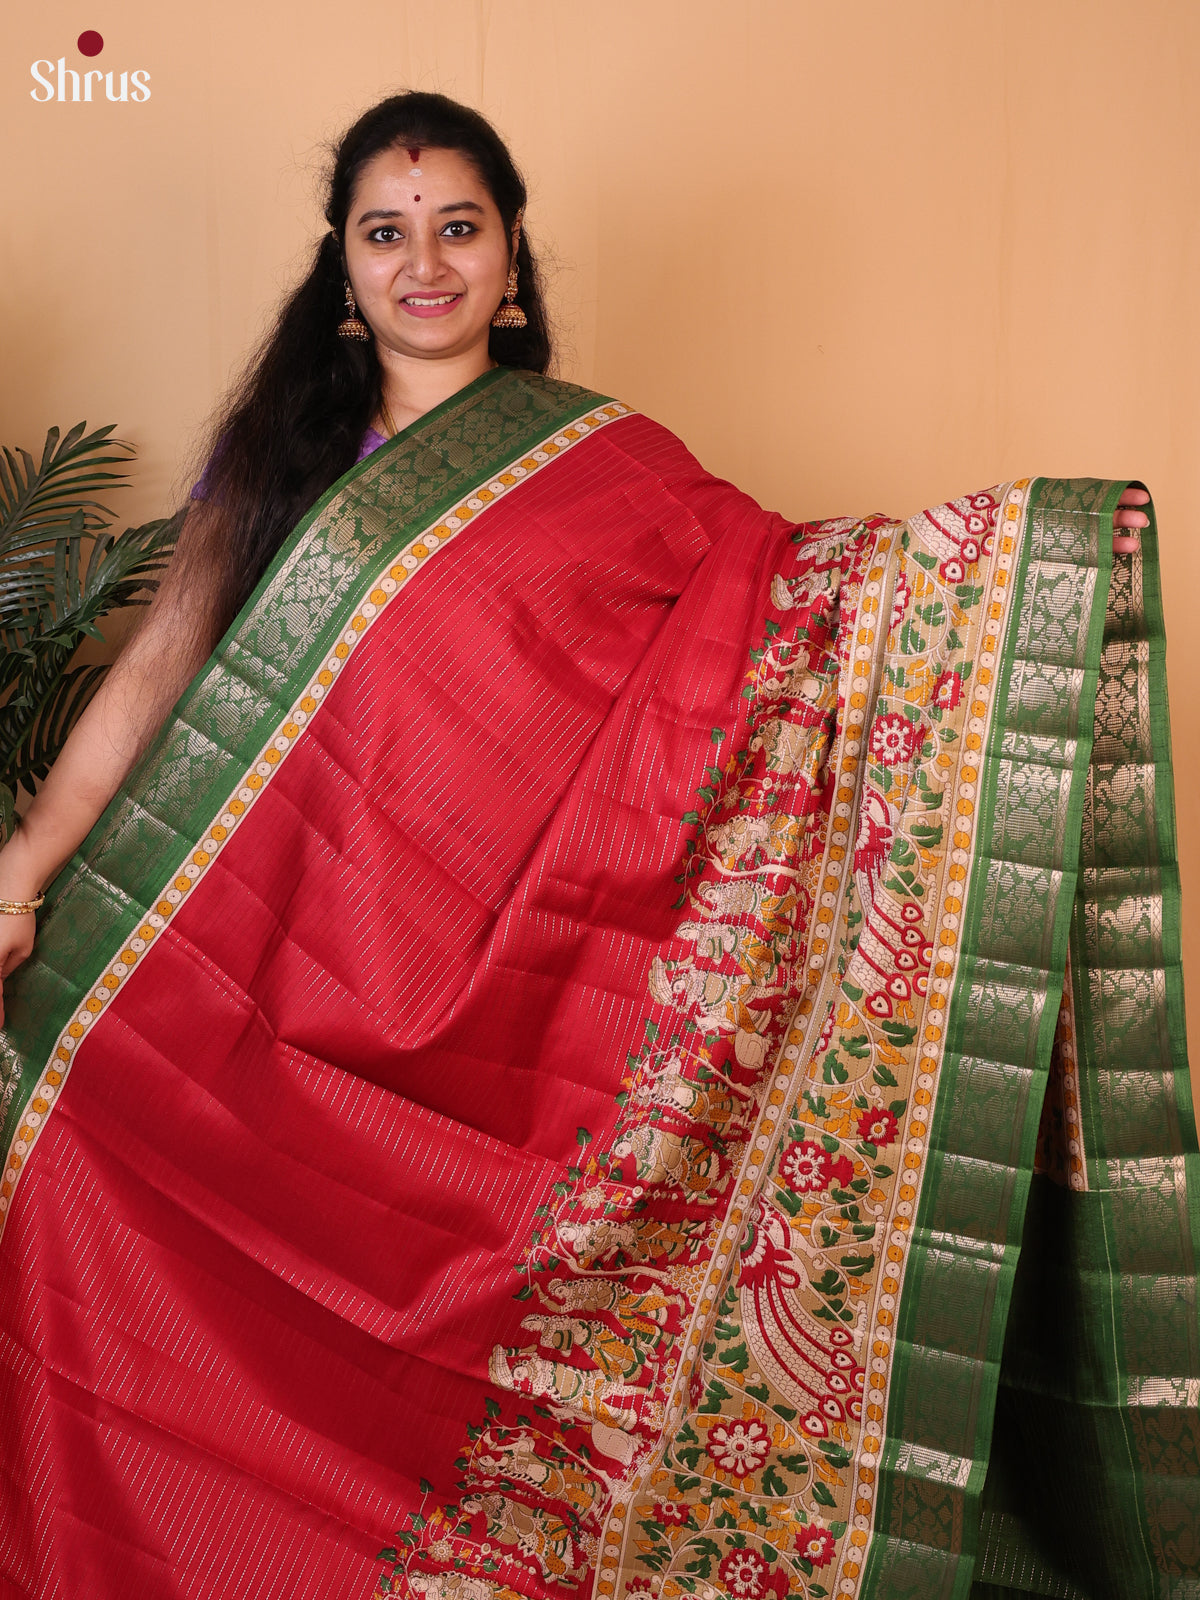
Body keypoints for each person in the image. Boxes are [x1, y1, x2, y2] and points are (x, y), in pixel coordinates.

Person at [0, 89, 1186, 1600]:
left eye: (457, 228)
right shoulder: (282, 465)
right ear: (342, 271)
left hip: (512, 1002)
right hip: (278, 975)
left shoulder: (607, 465)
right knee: (62, 1124)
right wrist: (23, 870)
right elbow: (158, 672)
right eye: (385, 234)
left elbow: (782, 617)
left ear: (511, 259)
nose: (424, 262)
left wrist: (1018, 572)